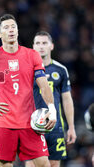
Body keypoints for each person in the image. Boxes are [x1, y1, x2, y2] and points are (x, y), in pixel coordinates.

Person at [0, 14, 57, 167]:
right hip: (4, 123)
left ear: (18, 31)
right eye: (6, 27)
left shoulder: (32, 55)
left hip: (30, 123)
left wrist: (52, 108)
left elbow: (44, 85)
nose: (11, 30)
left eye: (13, 26)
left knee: (44, 164)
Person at [25, 31, 77, 167]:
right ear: (33, 47)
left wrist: (71, 127)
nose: (41, 46)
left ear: (51, 46)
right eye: (38, 43)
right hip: (32, 126)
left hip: (55, 126)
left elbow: (67, 100)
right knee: (31, 164)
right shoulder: (26, 70)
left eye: (44, 43)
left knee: (54, 164)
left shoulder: (61, 70)